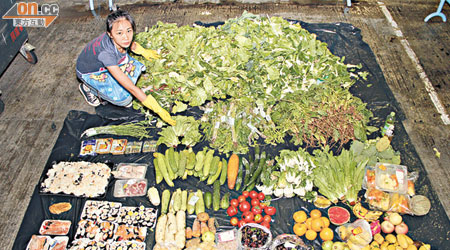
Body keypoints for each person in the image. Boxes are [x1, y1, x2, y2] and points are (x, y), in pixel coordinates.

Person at [76, 9, 175, 126]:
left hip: (102, 64)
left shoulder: (118, 40)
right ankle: (88, 88)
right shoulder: (106, 54)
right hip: (89, 72)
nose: (126, 37)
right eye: (119, 33)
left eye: (129, 31)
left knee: (135, 66)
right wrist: (158, 109)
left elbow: (128, 43)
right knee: (125, 99)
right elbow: (132, 88)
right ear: (110, 34)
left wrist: (143, 51)